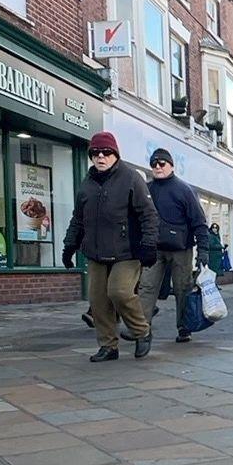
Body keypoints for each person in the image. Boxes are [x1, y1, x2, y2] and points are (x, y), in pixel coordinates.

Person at [63, 131, 158, 362]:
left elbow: (148, 215)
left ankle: (141, 331)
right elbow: (78, 219)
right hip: (95, 252)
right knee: (98, 301)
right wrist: (69, 245)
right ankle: (108, 345)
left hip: (127, 250)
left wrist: (148, 245)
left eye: (106, 152)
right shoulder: (87, 184)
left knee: (119, 291)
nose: (101, 157)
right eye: (95, 153)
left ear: (115, 154)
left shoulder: (131, 178)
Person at [135, 149, 207, 344]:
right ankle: (142, 329)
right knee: (146, 287)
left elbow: (199, 222)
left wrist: (203, 251)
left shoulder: (184, 190)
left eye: (162, 163)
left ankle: (184, 327)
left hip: (181, 249)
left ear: (171, 165)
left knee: (183, 288)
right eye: (154, 164)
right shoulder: (146, 190)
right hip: (154, 248)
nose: (157, 167)